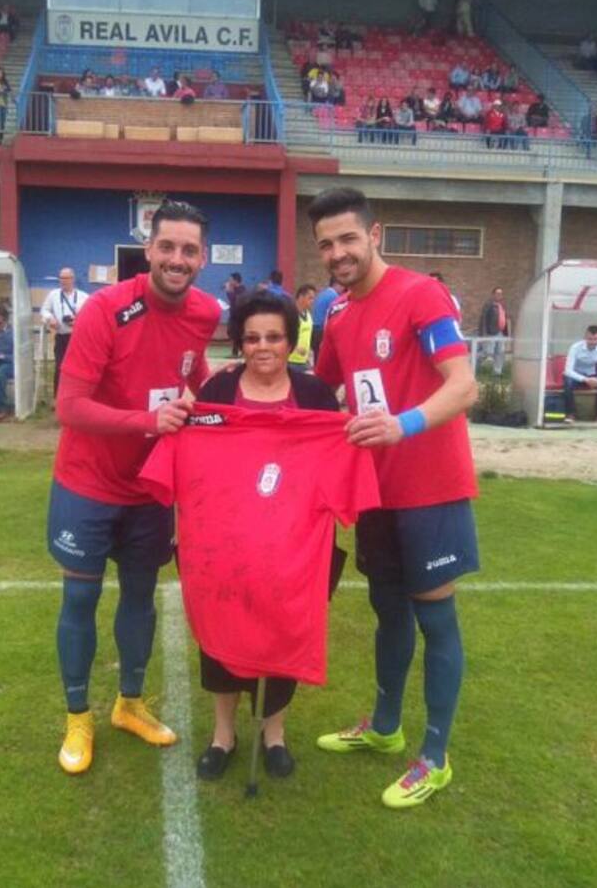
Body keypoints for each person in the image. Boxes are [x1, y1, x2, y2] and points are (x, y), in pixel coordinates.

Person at [140, 289, 373, 783]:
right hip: (221, 550)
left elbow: (338, 457)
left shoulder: (313, 395)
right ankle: (223, 735)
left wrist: (352, 436)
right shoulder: (218, 392)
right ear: (239, 343)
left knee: (284, 635)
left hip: (294, 552)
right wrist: (179, 421)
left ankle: (275, 735)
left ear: (290, 341)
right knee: (220, 639)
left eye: (273, 337)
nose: (262, 347)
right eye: (251, 338)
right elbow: (188, 449)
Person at [308, 187, 479, 810]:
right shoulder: (337, 314)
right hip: (374, 491)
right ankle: (385, 727)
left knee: (435, 618)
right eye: (326, 244)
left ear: (374, 234)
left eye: (348, 238)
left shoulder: (420, 295)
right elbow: (315, 391)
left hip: (431, 488)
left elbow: (464, 385)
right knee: (387, 609)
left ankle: (435, 757)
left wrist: (401, 425)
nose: (338, 253)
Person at [49, 199, 222, 775]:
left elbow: (193, 372)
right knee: (80, 598)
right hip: (88, 483)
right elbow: (70, 406)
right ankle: (78, 716)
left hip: (151, 487)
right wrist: (149, 421)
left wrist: (221, 399)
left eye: (189, 250)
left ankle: (129, 703)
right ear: (148, 250)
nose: (177, 259)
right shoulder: (105, 309)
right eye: (167, 247)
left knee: (141, 596)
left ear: (203, 258)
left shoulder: (205, 311)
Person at [41, 267, 89, 398]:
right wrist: (50, 319)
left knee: (78, 369)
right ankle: (58, 399)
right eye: (61, 278)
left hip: (78, 338)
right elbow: (44, 310)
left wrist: (78, 321)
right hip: (61, 337)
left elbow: (91, 315)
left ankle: (78, 397)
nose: (63, 281)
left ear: (72, 279)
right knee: (60, 368)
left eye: (66, 278)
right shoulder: (53, 295)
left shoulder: (84, 297)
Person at [562, 325, 597, 424]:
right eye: (590, 339)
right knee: (568, 382)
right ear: (585, 338)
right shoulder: (575, 347)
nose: (592, 342)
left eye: (595, 339)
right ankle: (570, 414)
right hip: (576, 376)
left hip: (593, 376)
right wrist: (585, 379)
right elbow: (568, 370)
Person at [477, 286, 509, 375]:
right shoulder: (489, 305)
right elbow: (483, 318)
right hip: (491, 332)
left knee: (500, 352)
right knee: (487, 352)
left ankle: (497, 372)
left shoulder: (502, 305)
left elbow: (504, 318)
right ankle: (474, 363)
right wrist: (483, 333)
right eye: (497, 293)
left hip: (500, 332)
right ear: (493, 294)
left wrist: (506, 333)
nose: (499, 295)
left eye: (501, 294)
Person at [311, 279, 341, 360]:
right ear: (336, 284)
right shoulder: (334, 296)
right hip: (321, 329)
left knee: (316, 356)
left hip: (314, 328)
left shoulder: (322, 293)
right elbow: (335, 315)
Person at [288, 284, 317, 368]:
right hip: (291, 361)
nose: (312, 301)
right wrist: (296, 348)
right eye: (310, 298)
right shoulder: (291, 314)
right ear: (301, 297)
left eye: (313, 298)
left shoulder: (308, 315)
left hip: (304, 360)